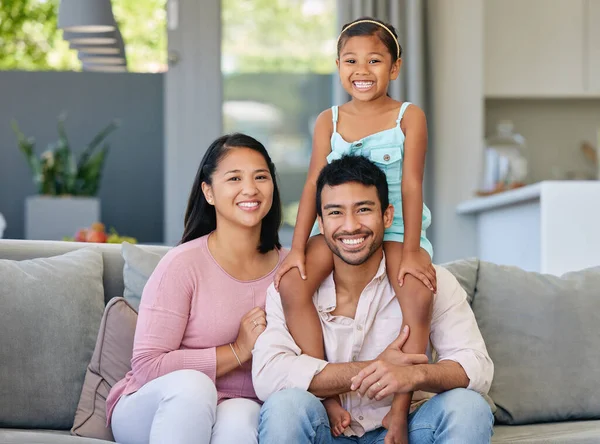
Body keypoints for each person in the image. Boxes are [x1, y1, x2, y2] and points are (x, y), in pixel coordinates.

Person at [253, 155, 494, 443]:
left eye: (363, 209)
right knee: (285, 407)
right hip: (327, 431)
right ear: (320, 221)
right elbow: (269, 375)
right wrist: (377, 367)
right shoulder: (290, 287)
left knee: (468, 408)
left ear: (387, 216)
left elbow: (478, 367)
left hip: (406, 428)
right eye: (335, 213)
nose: (350, 226)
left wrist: (413, 376)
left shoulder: (431, 281)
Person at [273, 17, 436, 434]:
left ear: (395, 67)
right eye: (351, 61)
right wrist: (295, 246)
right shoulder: (328, 119)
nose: (361, 71)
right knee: (292, 283)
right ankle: (326, 394)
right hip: (339, 230)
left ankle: (399, 410)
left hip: (394, 227)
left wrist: (413, 250)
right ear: (338, 65)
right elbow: (312, 183)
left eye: (375, 61)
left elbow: (413, 184)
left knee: (416, 297)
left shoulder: (408, 116)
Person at [106, 133, 286, 444]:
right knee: (194, 386)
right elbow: (148, 365)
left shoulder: (291, 268)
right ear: (209, 191)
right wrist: (238, 350)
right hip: (154, 406)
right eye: (234, 178)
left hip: (234, 404)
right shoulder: (182, 264)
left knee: (243, 417)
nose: (250, 189)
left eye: (261, 177)